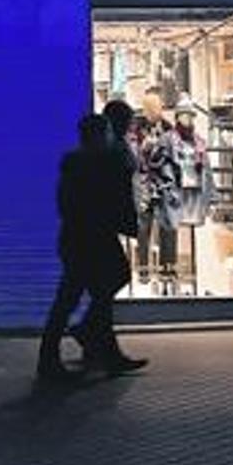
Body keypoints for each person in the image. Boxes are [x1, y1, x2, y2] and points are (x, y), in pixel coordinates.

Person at [68, 100, 147, 369]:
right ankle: (92, 336)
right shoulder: (110, 151)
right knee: (113, 279)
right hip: (98, 228)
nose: (132, 124)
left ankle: (99, 348)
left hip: (98, 227)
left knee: (102, 289)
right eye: (128, 119)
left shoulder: (112, 148)